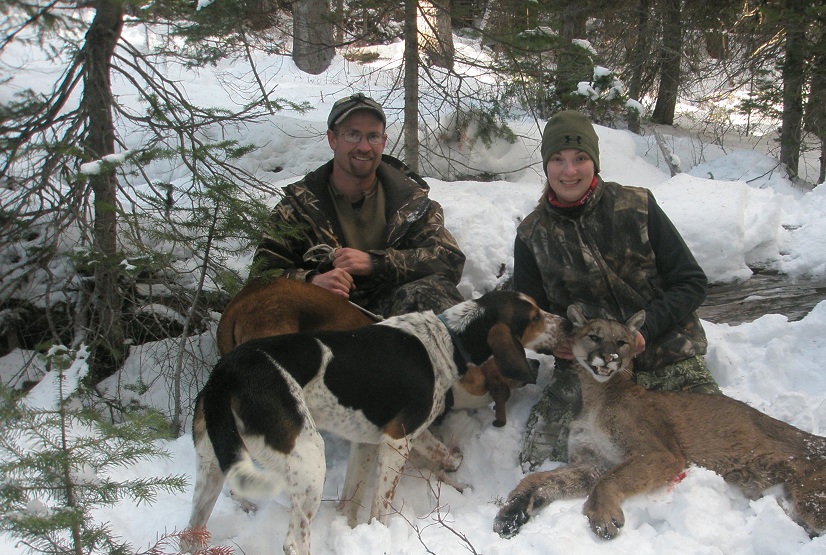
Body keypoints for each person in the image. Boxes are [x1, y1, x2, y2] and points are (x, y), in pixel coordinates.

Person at [514, 110, 720, 470]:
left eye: (580, 159)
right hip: (587, 371)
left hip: (663, 355)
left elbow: (691, 282)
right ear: (546, 166)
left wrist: (647, 330)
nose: (569, 171)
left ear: (594, 161)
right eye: (558, 160)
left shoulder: (637, 206)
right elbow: (528, 311)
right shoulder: (532, 234)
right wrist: (557, 341)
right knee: (542, 460)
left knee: (711, 452)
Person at [251, 93, 465, 316]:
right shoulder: (297, 208)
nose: (364, 147)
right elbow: (261, 276)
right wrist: (311, 281)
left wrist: (376, 263)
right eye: (353, 135)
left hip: (395, 324)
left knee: (435, 292)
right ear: (332, 139)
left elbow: (448, 260)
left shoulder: (410, 201)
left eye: (372, 136)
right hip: (325, 322)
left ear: (383, 142)